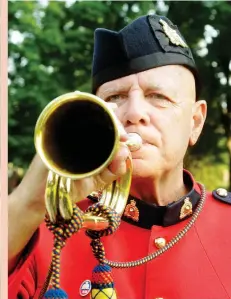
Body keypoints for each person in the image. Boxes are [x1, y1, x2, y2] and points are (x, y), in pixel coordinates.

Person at [8, 14, 231, 299]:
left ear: (195, 122)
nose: (134, 113)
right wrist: (29, 202)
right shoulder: (44, 229)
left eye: (158, 97)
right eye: (114, 98)